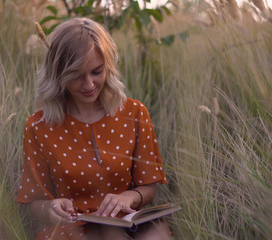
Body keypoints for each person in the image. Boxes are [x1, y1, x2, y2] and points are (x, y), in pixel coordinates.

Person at [16, 17, 170, 240]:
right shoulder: (39, 126)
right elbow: (33, 201)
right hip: (72, 231)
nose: (88, 85)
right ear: (59, 74)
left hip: (127, 224)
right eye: (77, 76)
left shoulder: (134, 113)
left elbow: (149, 187)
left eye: (97, 72)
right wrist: (50, 209)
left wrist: (128, 197)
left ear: (108, 67)